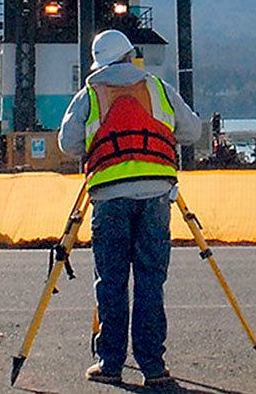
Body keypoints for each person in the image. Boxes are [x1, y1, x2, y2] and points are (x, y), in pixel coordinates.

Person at [58, 29, 202, 387]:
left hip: (109, 196)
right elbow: (192, 130)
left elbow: (68, 143)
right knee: (151, 280)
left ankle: (110, 362)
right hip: (156, 193)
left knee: (111, 281)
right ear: (129, 56)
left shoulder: (90, 93)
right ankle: (154, 366)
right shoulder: (158, 88)